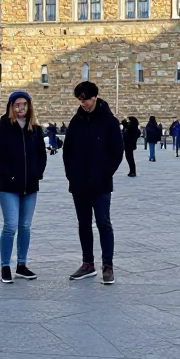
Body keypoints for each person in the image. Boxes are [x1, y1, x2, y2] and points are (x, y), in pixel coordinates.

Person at [63, 81, 123, 285]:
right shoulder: (76, 121)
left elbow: (117, 152)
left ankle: (108, 264)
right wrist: (71, 175)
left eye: (85, 99)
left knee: (103, 223)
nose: (83, 103)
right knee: (83, 224)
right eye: (79, 100)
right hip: (79, 184)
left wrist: (105, 173)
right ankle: (87, 263)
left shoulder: (109, 121)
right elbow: (67, 151)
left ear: (95, 97)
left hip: (101, 184)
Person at [0, 90, 46, 282]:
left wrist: (37, 173)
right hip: (9, 186)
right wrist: (9, 175)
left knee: (25, 226)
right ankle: (5, 266)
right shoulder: (4, 128)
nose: (21, 108)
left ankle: (22, 264)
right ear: (11, 107)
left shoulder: (35, 129)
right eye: (17, 105)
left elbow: (41, 155)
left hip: (30, 186)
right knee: (10, 225)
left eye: (24, 104)